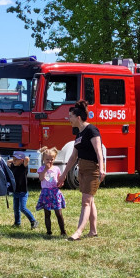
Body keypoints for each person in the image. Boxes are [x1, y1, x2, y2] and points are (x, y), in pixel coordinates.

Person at [61, 100, 106, 241]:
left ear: (78, 118)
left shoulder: (92, 130)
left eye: (70, 116)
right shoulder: (79, 134)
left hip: (93, 169)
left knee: (86, 201)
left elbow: (99, 151)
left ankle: (78, 232)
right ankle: (93, 231)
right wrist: (63, 175)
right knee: (90, 201)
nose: (69, 119)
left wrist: (102, 169)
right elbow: (73, 157)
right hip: (82, 170)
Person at [35, 147, 66, 238]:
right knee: (47, 213)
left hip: (55, 192)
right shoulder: (41, 169)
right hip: (46, 193)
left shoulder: (56, 169)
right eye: (47, 159)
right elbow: (41, 178)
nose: (49, 161)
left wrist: (61, 183)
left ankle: (63, 231)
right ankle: (48, 231)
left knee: (58, 213)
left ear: (54, 159)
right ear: (43, 159)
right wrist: (45, 169)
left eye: (51, 159)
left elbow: (59, 179)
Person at [8, 152, 37, 230]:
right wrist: (14, 161)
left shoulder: (23, 167)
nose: (14, 161)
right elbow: (8, 162)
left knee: (22, 208)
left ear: (21, 160)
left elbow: (27, 159)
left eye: (16, 159)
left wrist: (22, 159)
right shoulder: (13, 166)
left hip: (23, 192)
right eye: (13, 159)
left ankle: (33, 221)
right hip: (16, 191)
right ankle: (17, 223)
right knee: (16, 208)